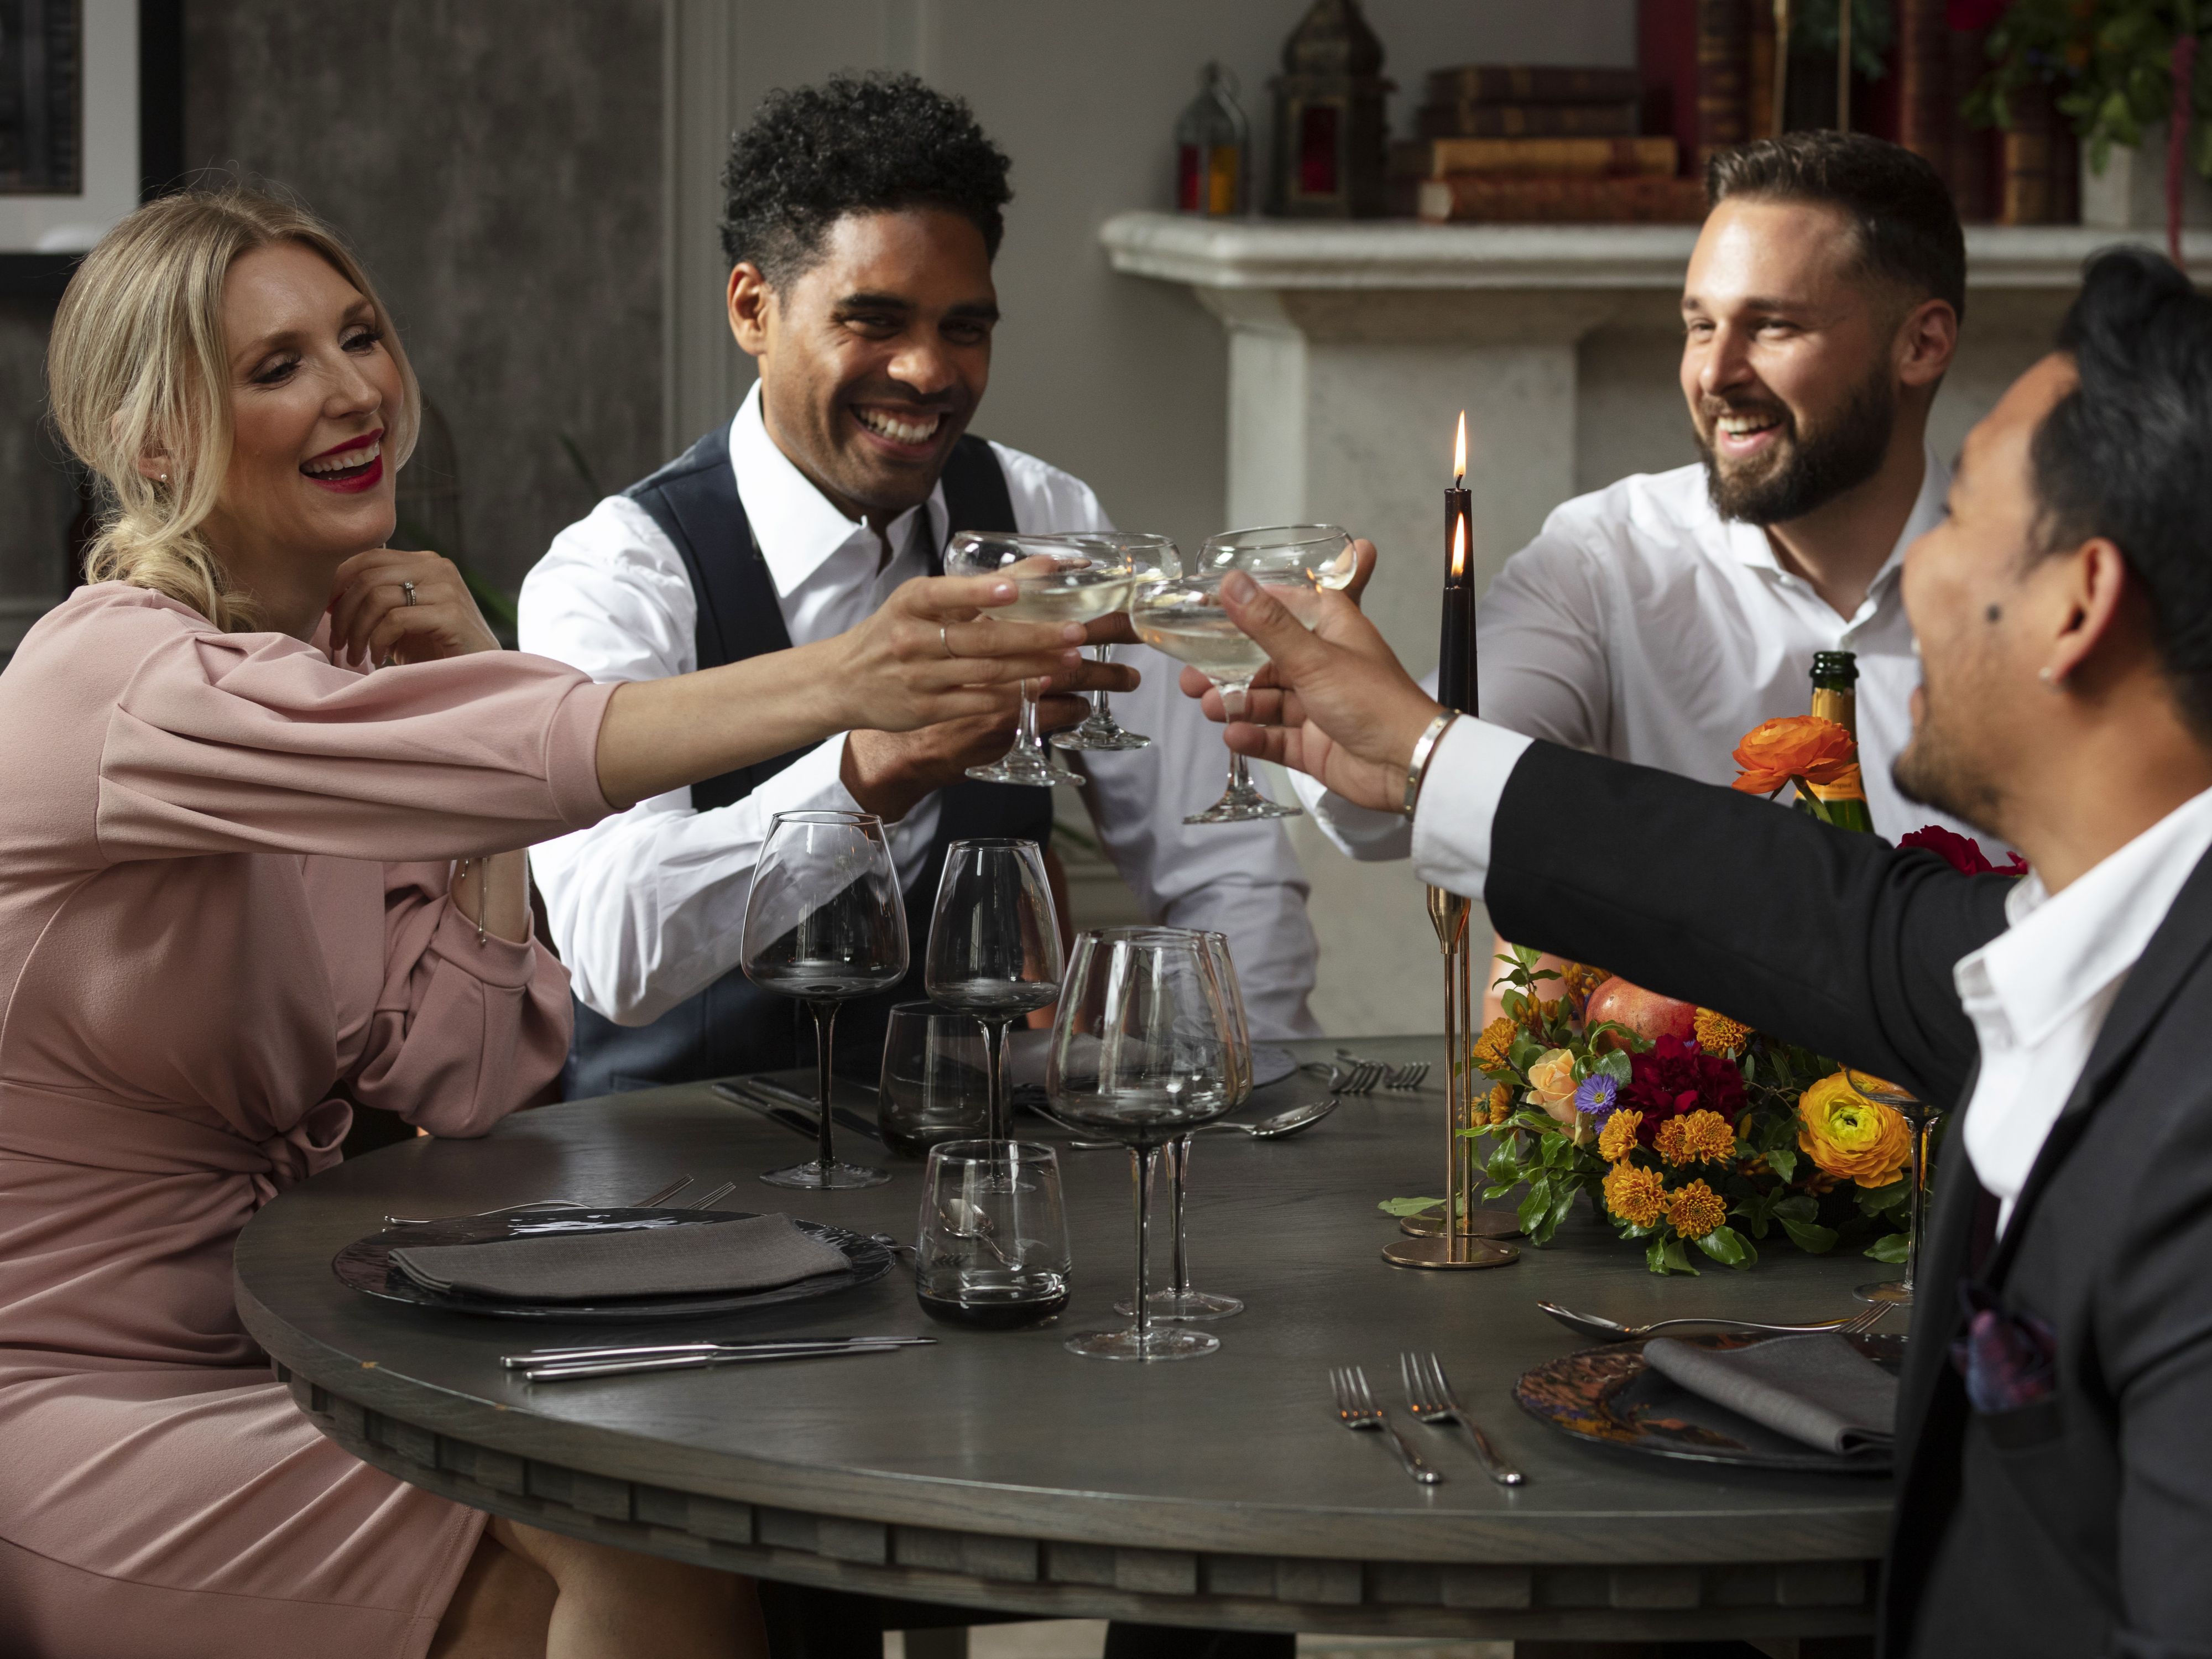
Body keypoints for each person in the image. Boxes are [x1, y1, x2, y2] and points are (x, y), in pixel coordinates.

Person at [0, 186, 1105, 1659]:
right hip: (78, 1403)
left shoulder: (354, 673)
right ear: (153, 442)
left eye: (360, 338)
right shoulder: (120, 681)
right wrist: (852, 677)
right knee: (640, 1571)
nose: (354, 395)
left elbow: (474, 1072)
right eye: (276, 367)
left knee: (656, 1519)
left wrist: (485, 766)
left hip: (307, 1352)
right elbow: (528, 746)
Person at [1190, 246, 2212, 1656]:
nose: (1912, 578)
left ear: (2078, 602)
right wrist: (1421, 754)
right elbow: (1802, 908)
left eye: (1962, 511)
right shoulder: (2108, 944)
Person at [520, 72, 1320, 1103]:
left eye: (965, 329)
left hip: (973, 1171)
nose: (929, 373)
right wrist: (874, 770)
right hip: (678, 1186)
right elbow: (613, 956)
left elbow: (1222, 853)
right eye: (875, 321)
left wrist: (1246, 1091)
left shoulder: (1042, 516)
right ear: (753, 308)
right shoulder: (621, 572)